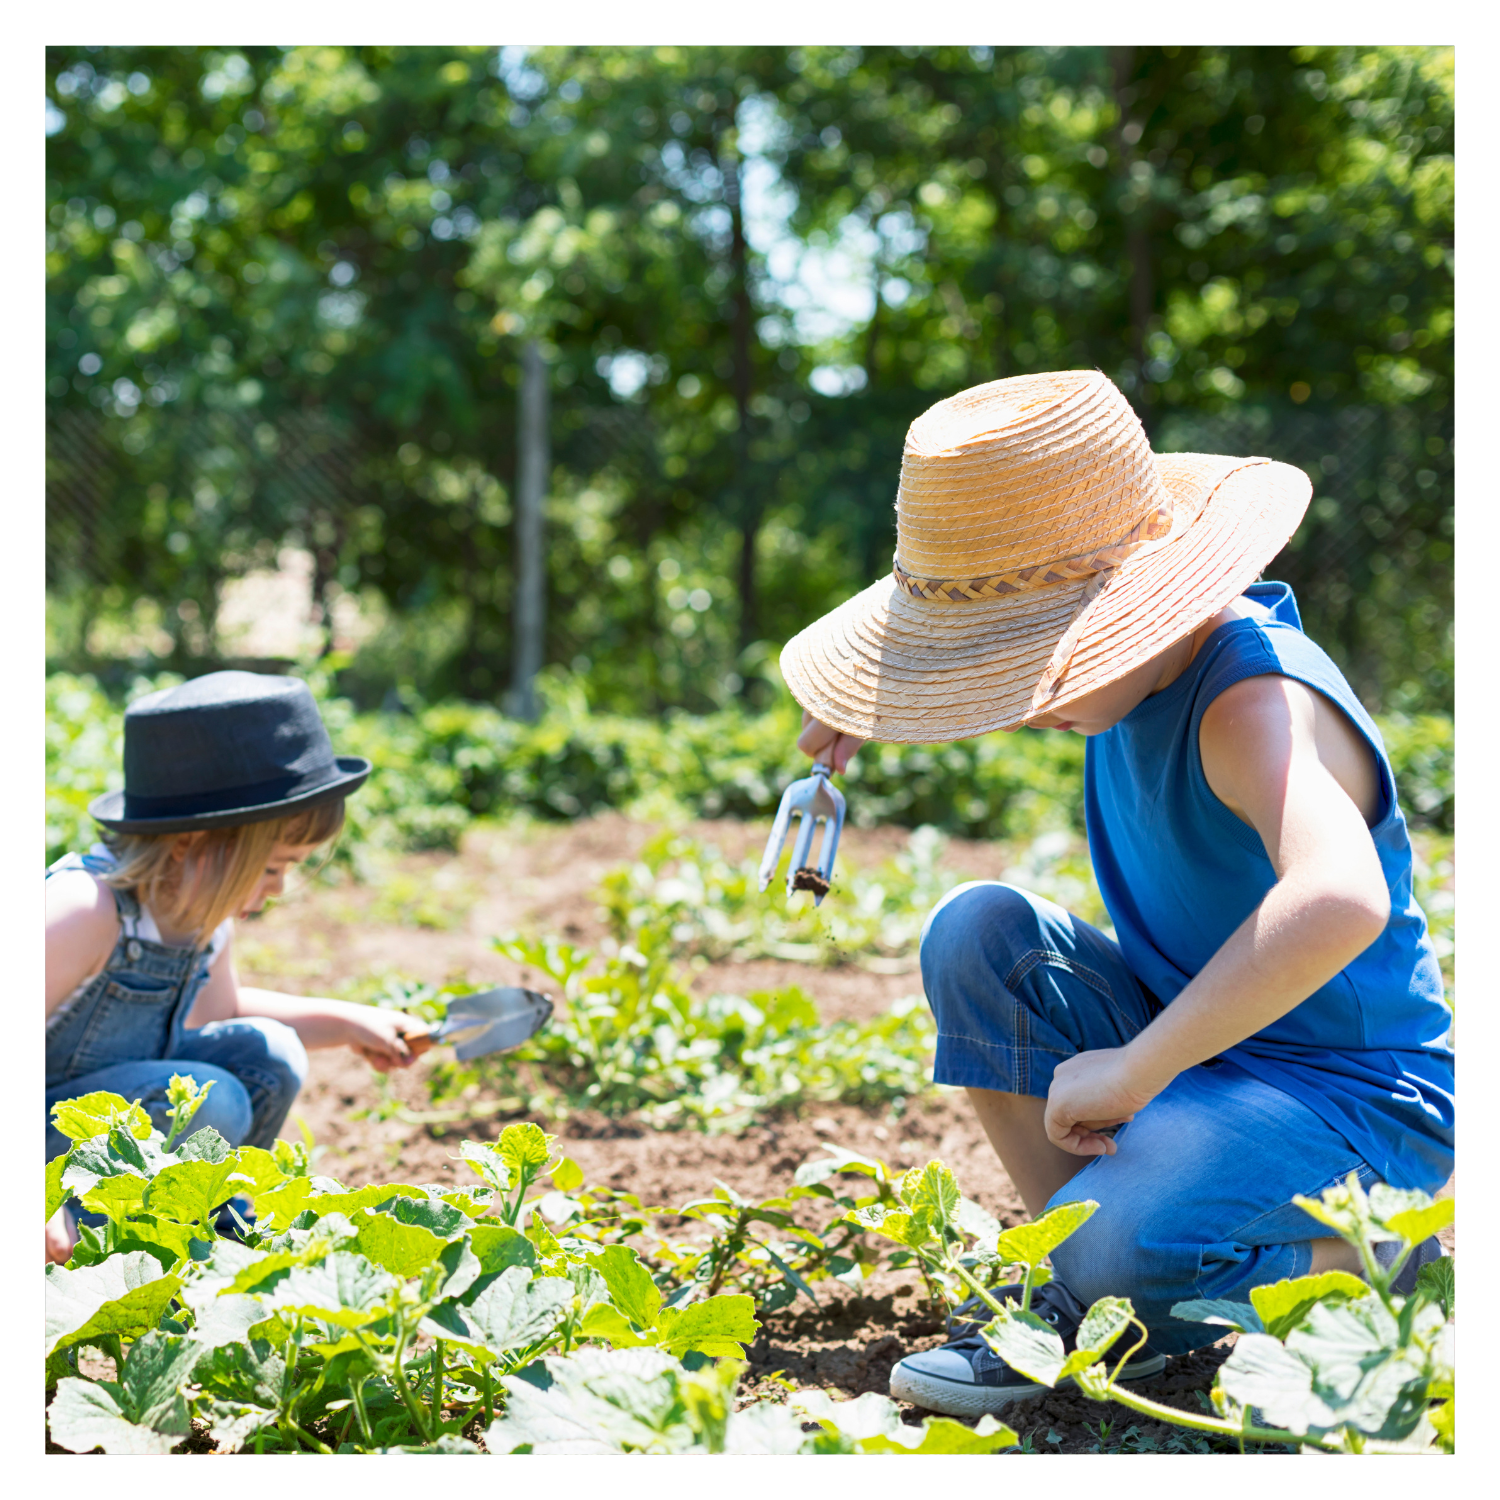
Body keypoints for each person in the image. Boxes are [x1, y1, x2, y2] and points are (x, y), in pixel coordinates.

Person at [783, 370, 1453, 1417]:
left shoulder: (1248, 698)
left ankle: (1378, 1271)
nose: (1015, 697)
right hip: (1218, 1057)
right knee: (979, 932)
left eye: (1025, 660)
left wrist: (1140, 1068)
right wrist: (889, 700)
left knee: (1119, 1238)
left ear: (1132, 607)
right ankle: (1089, 1297)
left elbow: (1341, 900)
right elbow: (1049, 690)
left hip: (1354, 1104)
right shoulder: (1128, 677)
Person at [45, 670, 430, 1265]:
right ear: (192, 844)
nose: (282, 888)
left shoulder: (203, 911)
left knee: (268, 1056)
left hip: (106, 1139)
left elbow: (222, 1014)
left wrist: (347, 1022)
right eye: (274, 867)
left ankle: (215, 1238)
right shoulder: (86, 909)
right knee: (214, 1098)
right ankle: (103, 1249)